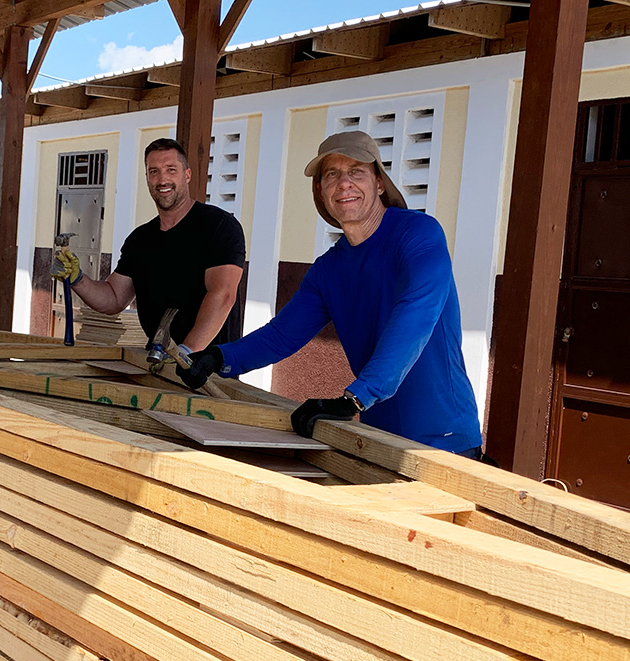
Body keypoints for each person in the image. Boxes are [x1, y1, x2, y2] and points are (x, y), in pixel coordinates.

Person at [178, 130, 483, 457]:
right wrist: (220, 358)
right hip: (378, 441)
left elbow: (415, 314)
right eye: (332, 175)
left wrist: (356, 398)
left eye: (357, 172)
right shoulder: (328, 270)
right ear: (320, 190)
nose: (344, 183)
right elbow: (281, 336)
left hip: (445, 443)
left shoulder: (419, 235)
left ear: (379, 183)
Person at [52, 138, 246, 354]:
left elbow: (223, 294)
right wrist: (77, 278)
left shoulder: (219, 227)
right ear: (147, 178)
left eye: (171, 169)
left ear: (187, 175)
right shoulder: (140, 241)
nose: (162, 179)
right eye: (154, 171)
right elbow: (114, 298)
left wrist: (186, 354)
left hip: (209, 371)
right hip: (158, 362)